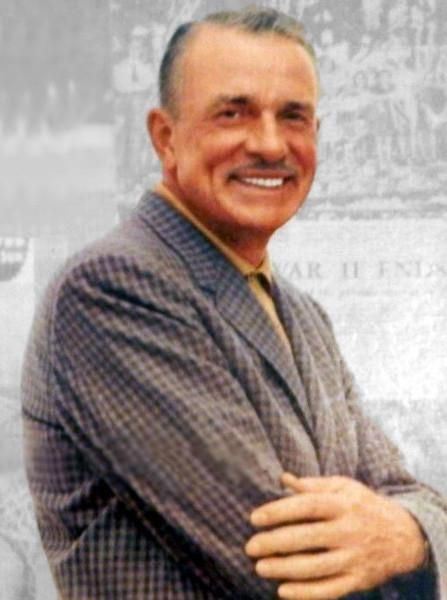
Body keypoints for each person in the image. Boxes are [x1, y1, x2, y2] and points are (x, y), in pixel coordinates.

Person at [22, 7, 447, 599]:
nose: (270, 144)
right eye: (233, 113)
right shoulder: (110, 289)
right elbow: (288, 568)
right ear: (165, 137)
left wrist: (409, 534)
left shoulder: (304, 316)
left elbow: (406, 494)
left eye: (293, 116)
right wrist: (412, 540)